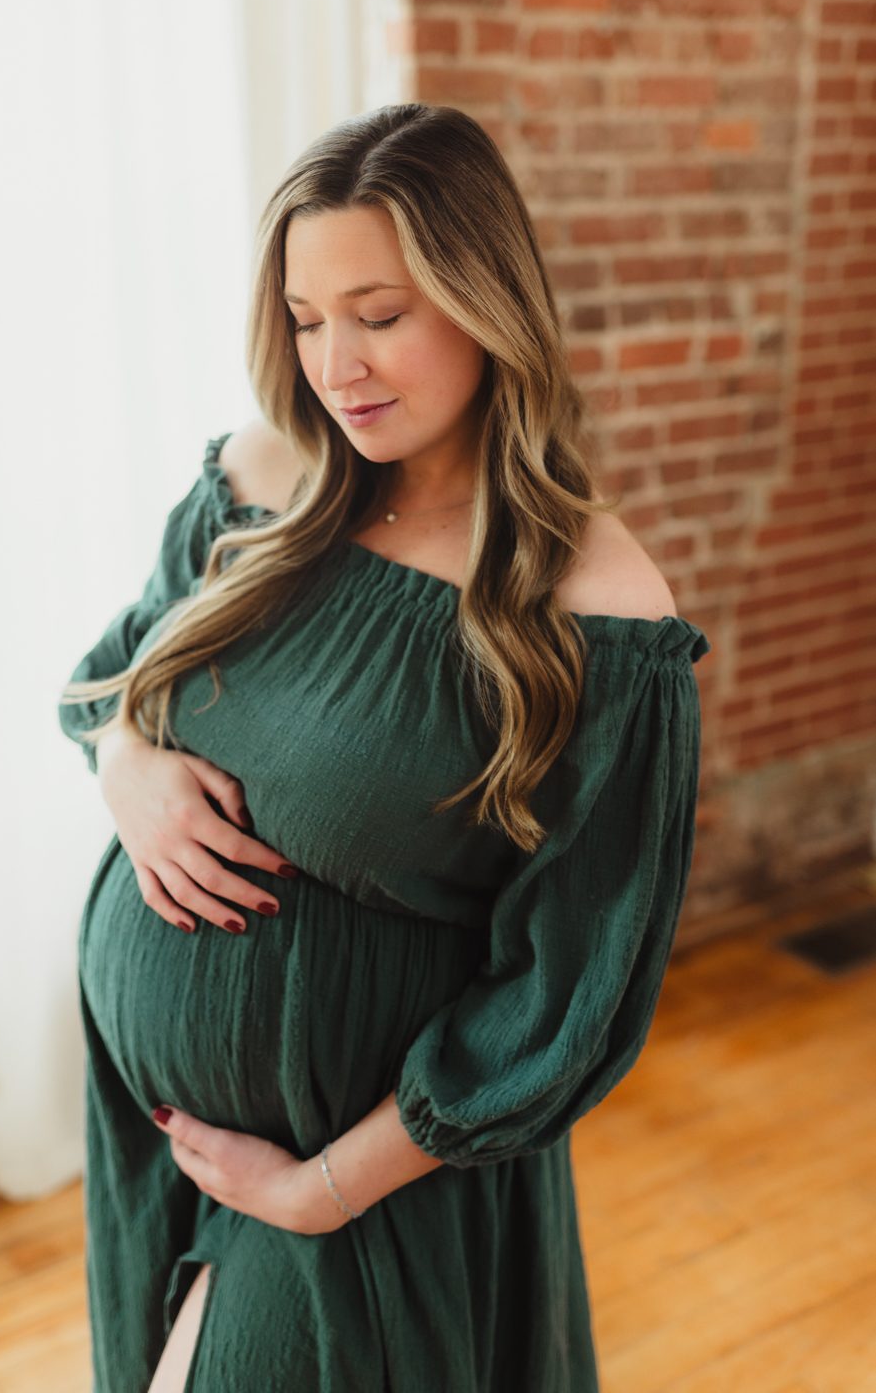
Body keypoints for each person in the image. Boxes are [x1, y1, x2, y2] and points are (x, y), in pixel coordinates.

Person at [57, 101, 711, 1393]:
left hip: (359, 1189)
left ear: (485, 303)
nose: (335, 364)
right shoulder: (259, 479)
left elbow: (565, 998)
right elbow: (107, 684)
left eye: (380, 314)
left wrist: (318, 1188)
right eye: (306, 320)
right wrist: (132, 769)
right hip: (158, 1138)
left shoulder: (595, 613)